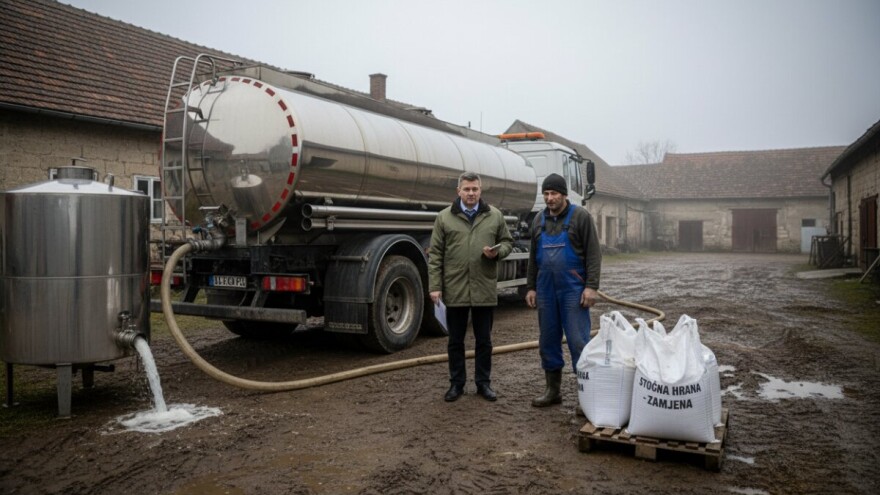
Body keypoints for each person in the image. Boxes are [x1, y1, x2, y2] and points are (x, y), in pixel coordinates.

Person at [428, 171, 513, 402]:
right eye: (467, 189)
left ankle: (483, 384)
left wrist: (497, 253)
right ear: (458, 191)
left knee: (484, 341)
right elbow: (435, 254)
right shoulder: (444, 218)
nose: (471, 193)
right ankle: (456, 385)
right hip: (455, 289)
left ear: (480, 190)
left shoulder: (494, 216)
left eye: (475, 189)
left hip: (483, 288)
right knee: (455, 341)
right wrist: (435, 286)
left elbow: (508, 242)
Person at [525, 173, 601, 407]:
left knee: (578, 341)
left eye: (554, 194)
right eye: (546, 194)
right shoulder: (538, 220)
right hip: (546, 289)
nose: (549, 198)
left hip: (573, 289)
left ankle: (586, 397)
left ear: (564, 194)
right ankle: (553, 391)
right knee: (548, 340)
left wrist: (591, 287)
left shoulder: (580, 217)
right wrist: (531, 287)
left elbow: (593, 254)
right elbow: (533, 258)